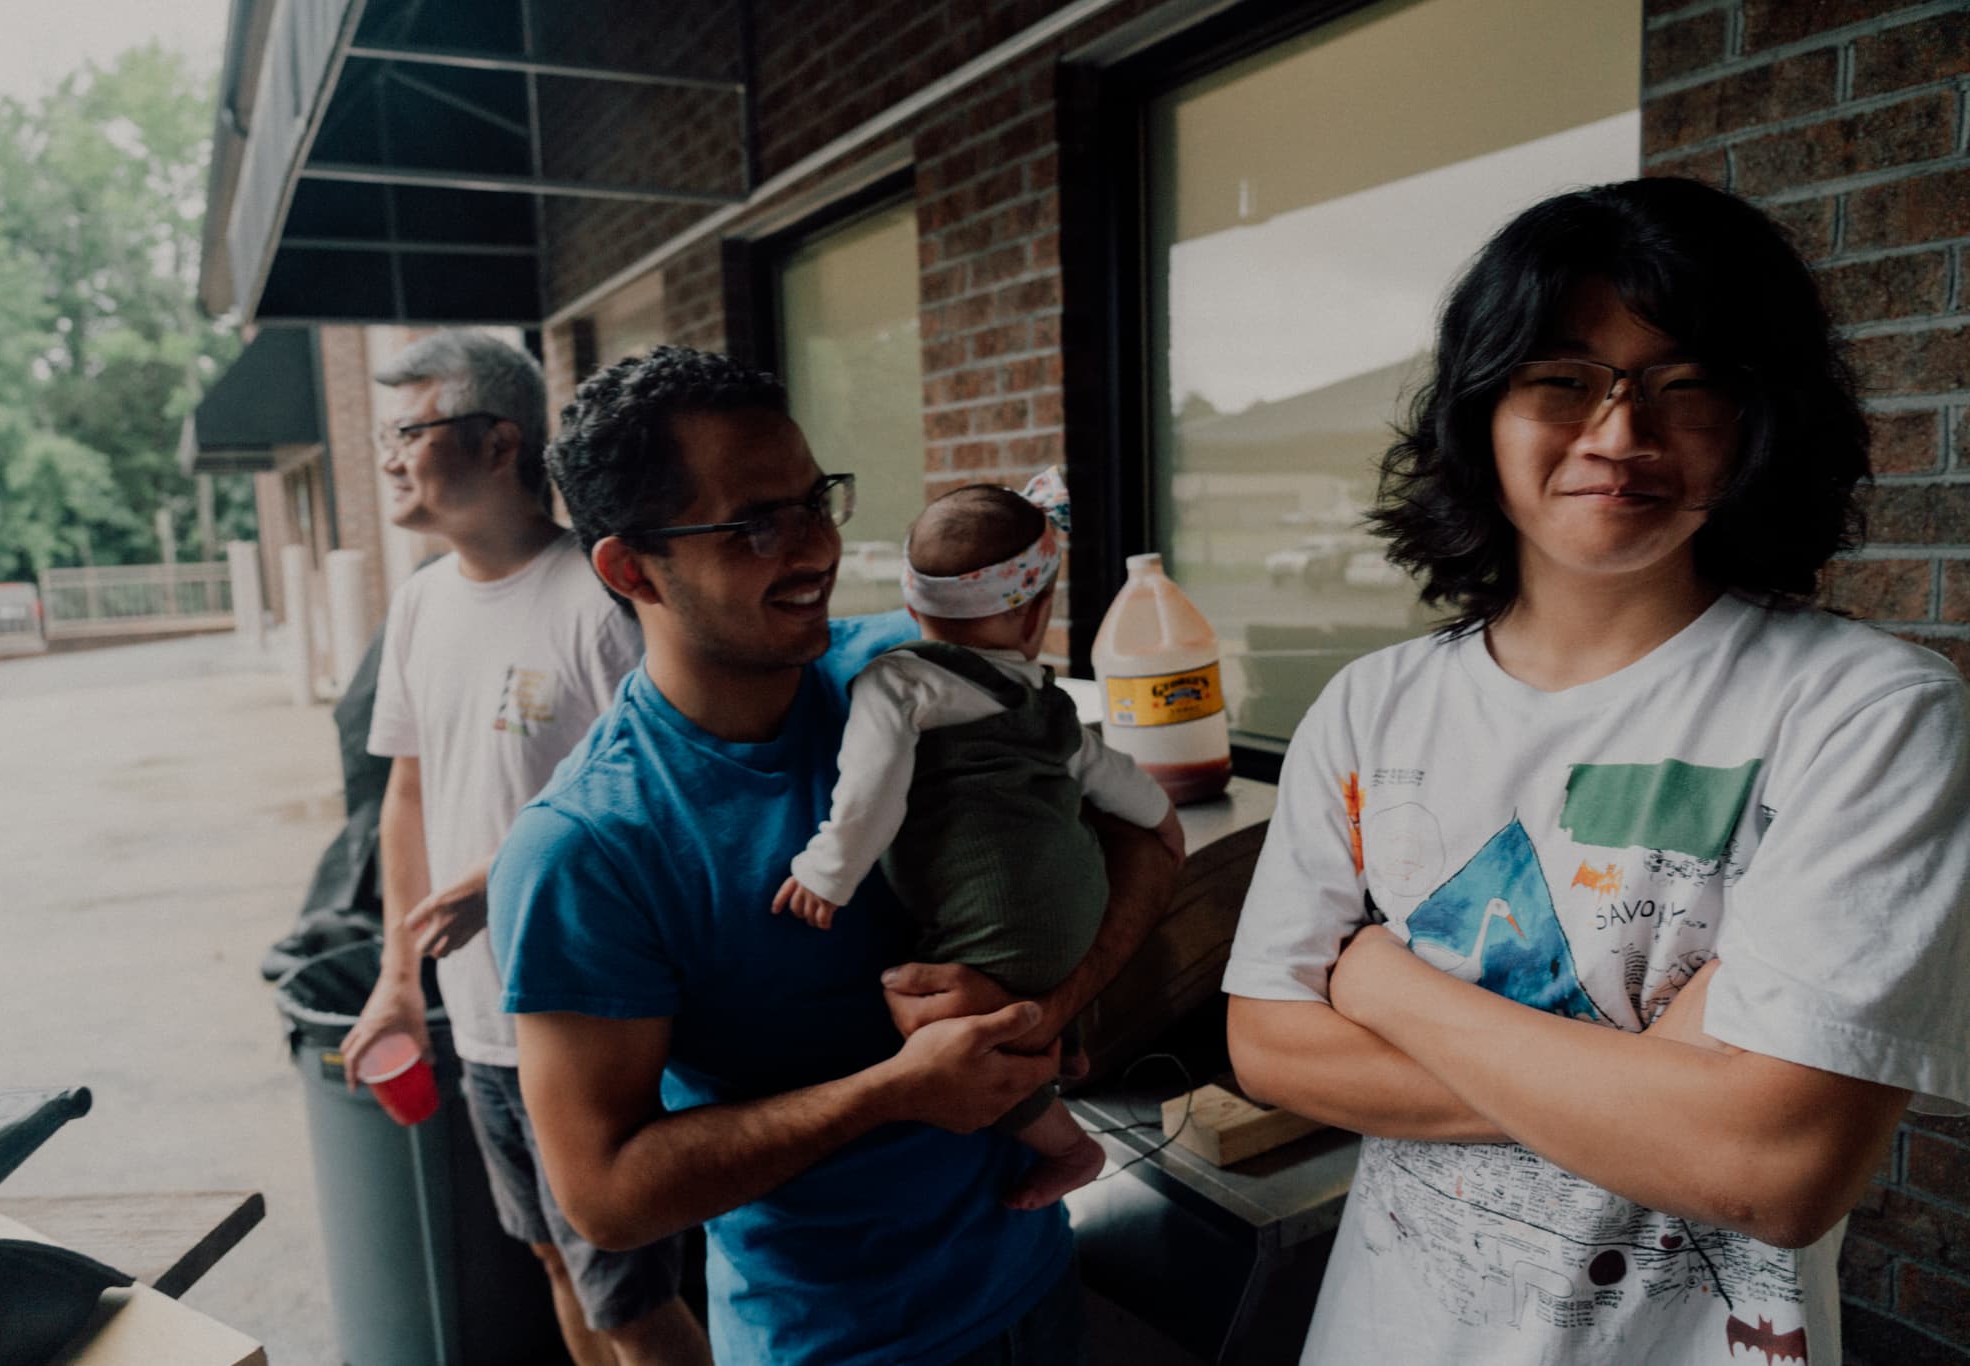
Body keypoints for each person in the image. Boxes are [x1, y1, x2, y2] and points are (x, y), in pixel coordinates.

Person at [1223, 177, 1970, 1366]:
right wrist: (1669, 1084)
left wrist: (1377, 981)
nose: (1619, 436)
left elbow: (1769, 1170)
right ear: (1481, 413)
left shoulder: (1865, 713)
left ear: (1757, 419)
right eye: (1560, 380)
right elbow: (1265, 1044)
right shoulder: (1374, 706)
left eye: (1686, 387)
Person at [486, 346, 1183, 1365]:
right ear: (631, 568)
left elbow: (1145, 834)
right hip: (836, 1343)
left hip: (1034, 1280)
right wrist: (896, 1088)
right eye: (755, 523)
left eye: (816, 499)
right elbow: (605, 1196)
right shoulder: (588, 848)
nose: (814, 546)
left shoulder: (917, 666)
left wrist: (1049, 1006)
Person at [335, 331, 707, 1366]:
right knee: (555, 1262)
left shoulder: (596, 598)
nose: (390, 456)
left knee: (630, 1293)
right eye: (386, 432)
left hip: (584, 1012)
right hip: (477, 1014)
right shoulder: (416, 604)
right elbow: (406, 793)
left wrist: (501, 876)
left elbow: (664, 798)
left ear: (498, 442)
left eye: (408, 431)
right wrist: (398, 980)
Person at [770, 473, 1183, 1212]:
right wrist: (1161, 822)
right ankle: (1073, 1046)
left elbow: (869, 791)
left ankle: (1068, 1147)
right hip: (1081, 905)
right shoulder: (1043, 700)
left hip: (1001, 929)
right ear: (1036, 618)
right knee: (1030, 954)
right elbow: (1112, 775)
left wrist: (826, 872)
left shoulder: (898, 682)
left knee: (969, 1040)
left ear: (910, 604)